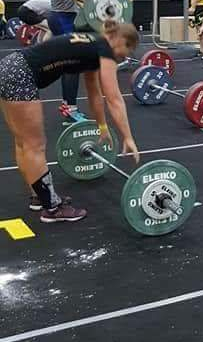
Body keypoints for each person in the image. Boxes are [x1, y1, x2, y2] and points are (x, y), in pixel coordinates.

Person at [0, 22, 140, 223]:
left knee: (23, 142)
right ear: (120, 40)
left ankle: (39, 196)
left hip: (10, 67)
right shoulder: (105, 49)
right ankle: (52, 209)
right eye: (129, 49)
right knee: (34, 145)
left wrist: (102, 127)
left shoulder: (94, 45)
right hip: (21, 75)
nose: (126, 56)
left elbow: (94, 92)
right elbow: (114, 99)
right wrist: (128, 137)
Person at [11, 0, 87, 122]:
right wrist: (89, 2)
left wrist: (84, 6)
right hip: (63, 19)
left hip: (59, 18)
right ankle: (70, 108)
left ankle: (67, 104)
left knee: (66, 63)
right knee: (72, 65)